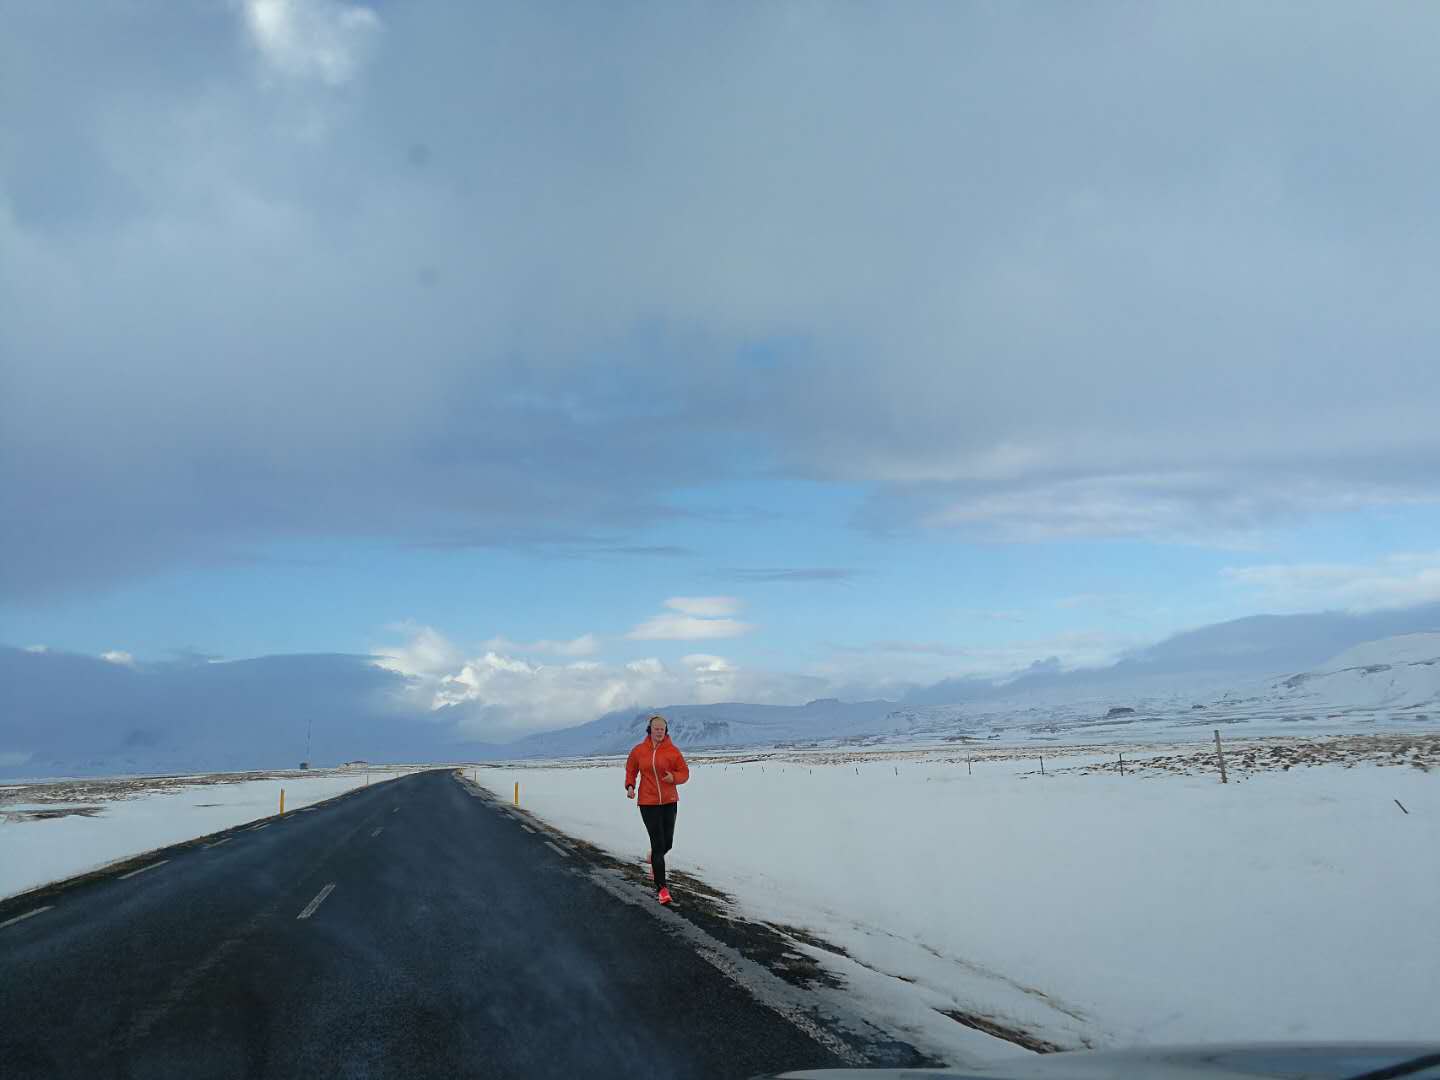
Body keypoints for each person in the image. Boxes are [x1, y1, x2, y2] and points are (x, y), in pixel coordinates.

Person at [624, 713, 689, 905]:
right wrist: (630, 786)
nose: (659, 732)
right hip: (648, 802)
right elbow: (631, 769)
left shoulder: (673, 751)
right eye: (656, 729)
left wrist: (674, 778)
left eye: (662, 729)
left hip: (669, 801)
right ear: (650, 730)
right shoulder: (639, 751)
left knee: (667, 843)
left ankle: (653, 858)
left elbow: (684, 772)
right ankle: (662, 889)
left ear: (666, 731)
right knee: (658, 843)